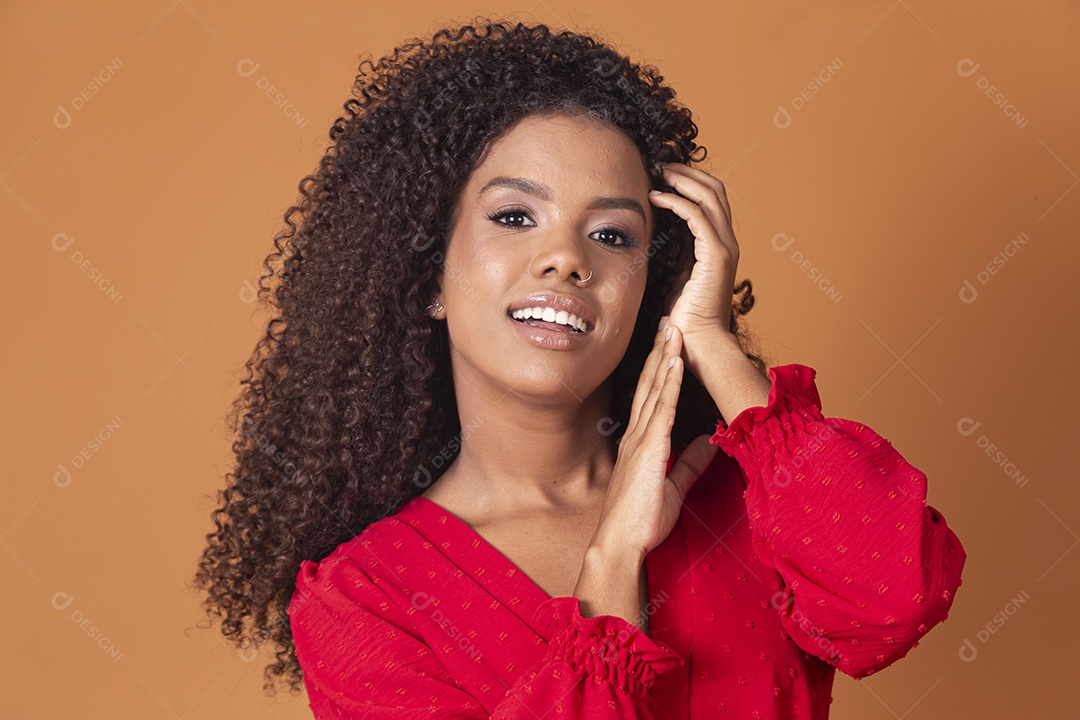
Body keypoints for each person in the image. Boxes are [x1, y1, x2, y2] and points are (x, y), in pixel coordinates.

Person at [192, 17, 967, 719]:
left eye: (614, 235)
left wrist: (712, 339)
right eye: (514, 217)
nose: (566, 258)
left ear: (650, 286)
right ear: (427, 273)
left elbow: (892, 602)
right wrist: (611, 570)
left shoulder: (755, 503)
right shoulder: (365, 600)